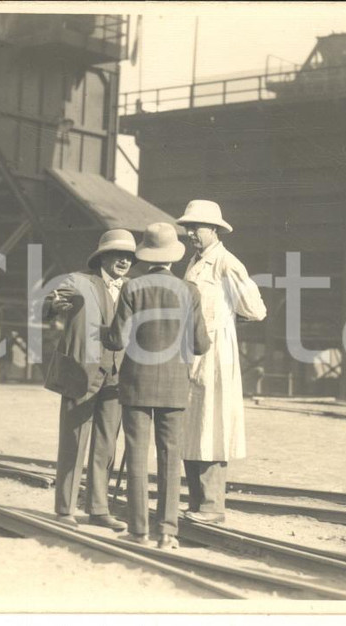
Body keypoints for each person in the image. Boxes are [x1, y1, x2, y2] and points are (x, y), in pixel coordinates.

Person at [104, 222, 211, 549]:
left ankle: (138, 531)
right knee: (170, 456)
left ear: (146, 255)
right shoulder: (189, 290)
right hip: (175, 386)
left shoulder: (131, 288)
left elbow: (117, 339)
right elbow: (200, 345)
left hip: (136, 383)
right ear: (173, 257)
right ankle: (166, 532)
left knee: (135, 454)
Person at [177, 200, 267, 524]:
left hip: (216, 354)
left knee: (212, 425)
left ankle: (213, 506)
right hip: (190, 352)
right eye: (187, 228)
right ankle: (196, 502)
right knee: (191, 425)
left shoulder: (227, 264)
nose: (190, 234)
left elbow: (256, 310)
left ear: (214, 230)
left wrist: (228, 320)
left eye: (196, 228)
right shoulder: (194, 263)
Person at [44, 228, 136, 532]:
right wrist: (54, 306)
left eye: (129, 257)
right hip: (81, 373)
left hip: (117, 377)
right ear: (103, 257)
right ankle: (64, 509)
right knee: (73, 442)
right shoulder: (79, 281)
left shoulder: (133, 288)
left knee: (106, 446)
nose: (124, 261)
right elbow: (51, 301)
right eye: (118, 255)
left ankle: (99, 509)